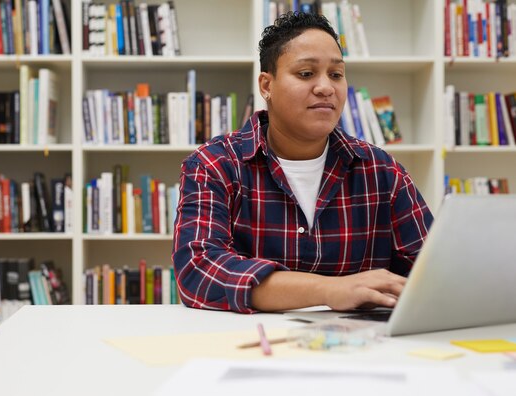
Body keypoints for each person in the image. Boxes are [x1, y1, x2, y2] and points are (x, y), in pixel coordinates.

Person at [171, 12, 433, 314]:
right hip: (250, 346)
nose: (326, 87)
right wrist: (329, 290)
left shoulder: (381, 170)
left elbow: (433, 273)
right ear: (267, 85)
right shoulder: (216, 164)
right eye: (306, 74)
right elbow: (198, 270)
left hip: (356, 350)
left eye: (336, 74)